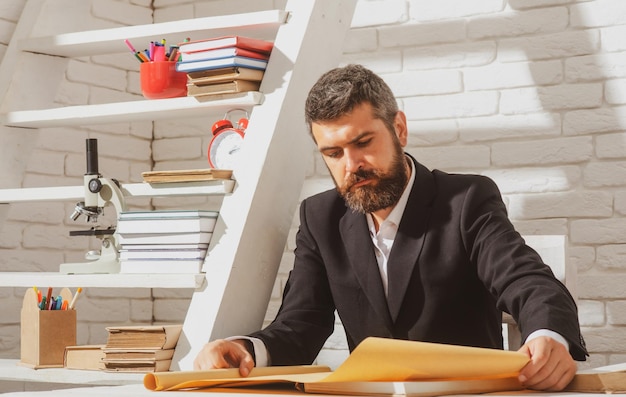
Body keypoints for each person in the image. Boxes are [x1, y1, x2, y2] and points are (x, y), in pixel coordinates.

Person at [194, 64, 587, 391]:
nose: (351, 165)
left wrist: (547, 337)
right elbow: (301, 325)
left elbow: (529, 282)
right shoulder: (319, 218)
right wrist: (245, 349)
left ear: (398, 129)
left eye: (363, 142)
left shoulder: (466, 200)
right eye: (333, 153)